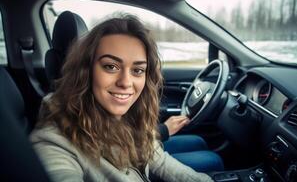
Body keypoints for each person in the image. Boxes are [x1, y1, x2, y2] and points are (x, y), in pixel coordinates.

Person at [30, 14, 213, 182]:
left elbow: (159, 159)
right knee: (213, 160)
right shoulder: (53, 143)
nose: (126, 82)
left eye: (138, 70)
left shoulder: (126, 115)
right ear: (85, 71)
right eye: (111, 66)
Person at [159, 116, 224, 172]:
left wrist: (160, 129)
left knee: (198, 142)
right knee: (215, 161)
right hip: (150, 159)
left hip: (152, 143)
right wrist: (163, 130)